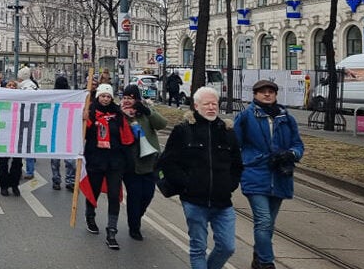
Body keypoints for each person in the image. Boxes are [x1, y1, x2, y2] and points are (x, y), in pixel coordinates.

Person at [159, 86, 243, 269]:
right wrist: (186, 184)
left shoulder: (227, 131)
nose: (211, 107)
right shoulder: (183, 130)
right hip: (194, 201)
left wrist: (230, 185)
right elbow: (168, 162)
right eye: (207, 104)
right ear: (196, 106)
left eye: (215, 104)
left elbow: (237, 165)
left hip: (222, 202)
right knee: (198, 247)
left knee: (227, 247)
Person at [234, 80, 304, 269]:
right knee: (263, 221)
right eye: (262, 92)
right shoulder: (246, 116)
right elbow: (235, 145)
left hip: (280, 176)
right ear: (255, 95)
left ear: (275, 94)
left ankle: (258, 256)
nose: (267, 95)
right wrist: (244, 163)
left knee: (269, 224)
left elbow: (298, 144)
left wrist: (291, 154)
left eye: (271, 91)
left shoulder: (286, 117)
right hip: (255, 174)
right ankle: (266, 263)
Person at [82, 83, 135, 250]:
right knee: (94, 191)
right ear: (98, 97)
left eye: (108, 96)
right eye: (102, 96)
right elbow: (81, 133)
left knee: (114, 195)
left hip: (115, 162)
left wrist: (129, 162)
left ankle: (112, 231)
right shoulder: (90, 112)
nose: (105, 99)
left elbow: (126, 138)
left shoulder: (118, 115)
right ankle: (90, 216)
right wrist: (84, 119)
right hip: (95, 160)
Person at [121, 84, 167, 241]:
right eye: (125, 97)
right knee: (134, 196)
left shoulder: (145, 112)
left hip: (150, 163)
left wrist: (147, 111)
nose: (128, 101)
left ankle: (137, 217)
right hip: (131, 164)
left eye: (131, 98)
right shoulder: (120, 114)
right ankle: (134, 227)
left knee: (147, 195)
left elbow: (162, 124)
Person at [0, 81, 23, 197]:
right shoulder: (0, 100)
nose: (12, 87)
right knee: (3, 162)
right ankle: (4, 186)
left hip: (17, 135)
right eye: (9, 85)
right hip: (3, 135)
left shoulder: (21, 101)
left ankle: (14, 184)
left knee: (17, 162)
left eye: (14, 85)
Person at [50, 76, 76, 191]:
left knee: (55, 160)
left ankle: (56, 180)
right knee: (69, 159)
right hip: (67, 131)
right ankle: (70, 180)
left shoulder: (52, 96)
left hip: (57, 131)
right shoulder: (71, 96)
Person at [16, 66, 39, 180]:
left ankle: (28, 170)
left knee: (24, 146)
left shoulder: (27, 87)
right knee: (27, 146)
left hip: (26, 118)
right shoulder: (32, 86)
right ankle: (26, 170)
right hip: (29, 118)